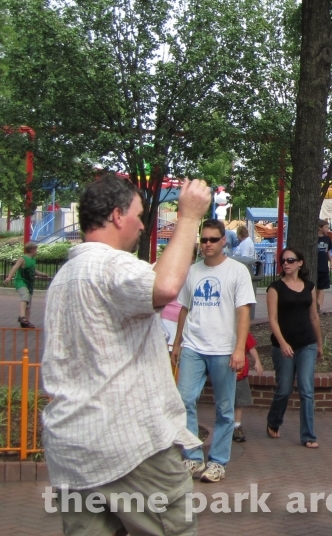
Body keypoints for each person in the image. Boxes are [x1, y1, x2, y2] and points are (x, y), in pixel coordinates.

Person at [42, 174, 212, 536]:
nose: (141, 225)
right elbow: (165, 286)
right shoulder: (110, 265)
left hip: (72, 446)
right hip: (129, 444)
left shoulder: (66, 277)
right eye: (138, 215)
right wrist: (189, 218)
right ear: (118, 216)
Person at [172, 218, 256, 482]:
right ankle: (193, 457)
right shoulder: (193, 271)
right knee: (184, 400)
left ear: (223, 241)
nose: (206, 244)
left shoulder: (237, 271)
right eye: (203, 239)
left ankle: (218, 461)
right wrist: (177, 342)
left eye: (212, 239)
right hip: (193, 346)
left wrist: (239, 349)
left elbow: (243, 312)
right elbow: (184, 308)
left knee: (224, 407)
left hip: (223, 348)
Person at [266, 246, 322, 447]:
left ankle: (308, 436)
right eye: (283, 261)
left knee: (307, 389)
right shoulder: (275, 288)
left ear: (300, 263)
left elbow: (314, 317)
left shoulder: (309, 286)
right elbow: (272, 319)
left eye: (290, 260)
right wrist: (282, 343)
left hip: (306, 343)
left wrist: (319, 344)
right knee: (284, 389)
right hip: (283, 345)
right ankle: (273, 420)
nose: (286, 264)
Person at [4, 241, 50, 328]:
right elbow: (15, 268)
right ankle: (22, 317)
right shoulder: (23, 258)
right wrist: (9, 277)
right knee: (25, 296)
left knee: (28, 304)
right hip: (20, 281)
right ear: (32, 250)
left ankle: (26, 322)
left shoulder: (33, 260)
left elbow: (34, 270)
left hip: (29, 284)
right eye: (36, 250)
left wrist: (42, 274)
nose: (37, 251)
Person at [233, 332, 262, 442]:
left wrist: (257, 361)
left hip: (240, 375)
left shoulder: (243, 332)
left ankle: (237, 426)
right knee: (226, 403)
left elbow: (251, 348)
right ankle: (226, 427)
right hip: (226, 375)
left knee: (239, 402)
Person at [315, 219, 332, 313]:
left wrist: (331, 261)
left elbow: (328, 252)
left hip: (323, 266)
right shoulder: (314, 239)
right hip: (315, 266)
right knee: (314, 287)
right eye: (326, 227)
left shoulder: (327, 239)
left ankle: (319, 307)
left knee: (321, 288)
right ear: (320, 227)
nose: (327, 229)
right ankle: (313, 306)